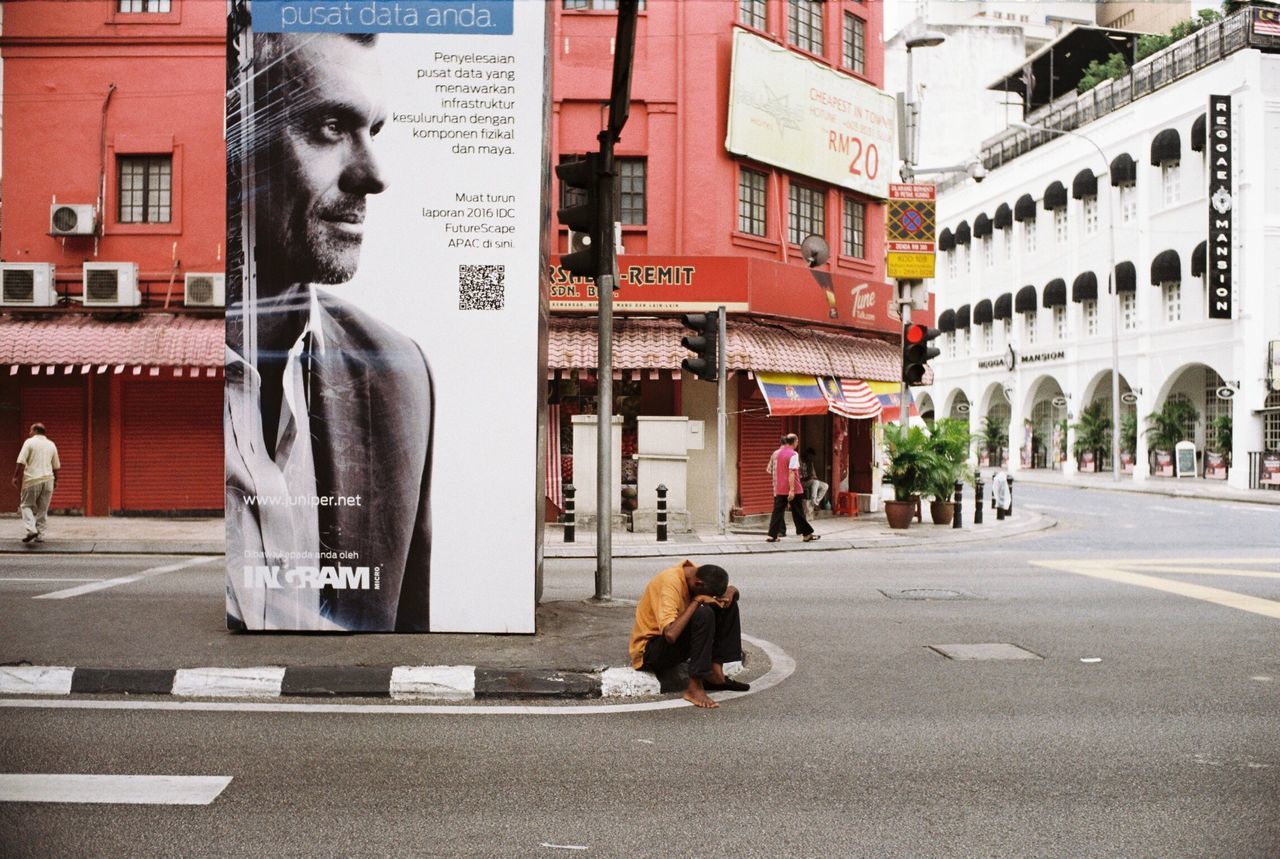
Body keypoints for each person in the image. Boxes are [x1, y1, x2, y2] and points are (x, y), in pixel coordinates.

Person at [224, 32, 433, 632]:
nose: (373, 175)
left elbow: (398, 643)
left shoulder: (400, 375)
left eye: (375, 130)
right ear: (237, 141)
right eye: (329, 127)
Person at [629, 560, 749, 710]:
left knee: (726, 605)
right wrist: (697, 601)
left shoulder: (698, 573)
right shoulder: (670, 583)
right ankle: (694, 688)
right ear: (698, 584)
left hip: (672, 643)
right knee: (703, 613)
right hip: (651, 651)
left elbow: (727, 592)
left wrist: (731, 592)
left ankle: (715, 674)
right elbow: (671, 634)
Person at [12, 423, 60, 544]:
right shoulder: (51, 444)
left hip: (32, 480)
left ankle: (32, 529)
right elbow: (56, 466)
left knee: (25, 505)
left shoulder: (29, 442)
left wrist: (15, 477)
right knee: (43, 509)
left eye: (30, 430)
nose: (29, 433)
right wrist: (56, 480)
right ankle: (40, 535)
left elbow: (21, 461)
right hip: (48, 479)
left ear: (35, 430)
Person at [767, 433, 818, 542]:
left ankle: (772, 535)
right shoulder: (793, 454)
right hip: (793, 487)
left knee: (777, 512)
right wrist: (792, 490)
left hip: (780, 488)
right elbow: (791, 472)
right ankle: (807, 534)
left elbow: (773, 470)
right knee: (798, 512)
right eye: (797, 441)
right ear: (794, 442)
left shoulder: (778, 454)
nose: (798, 443)